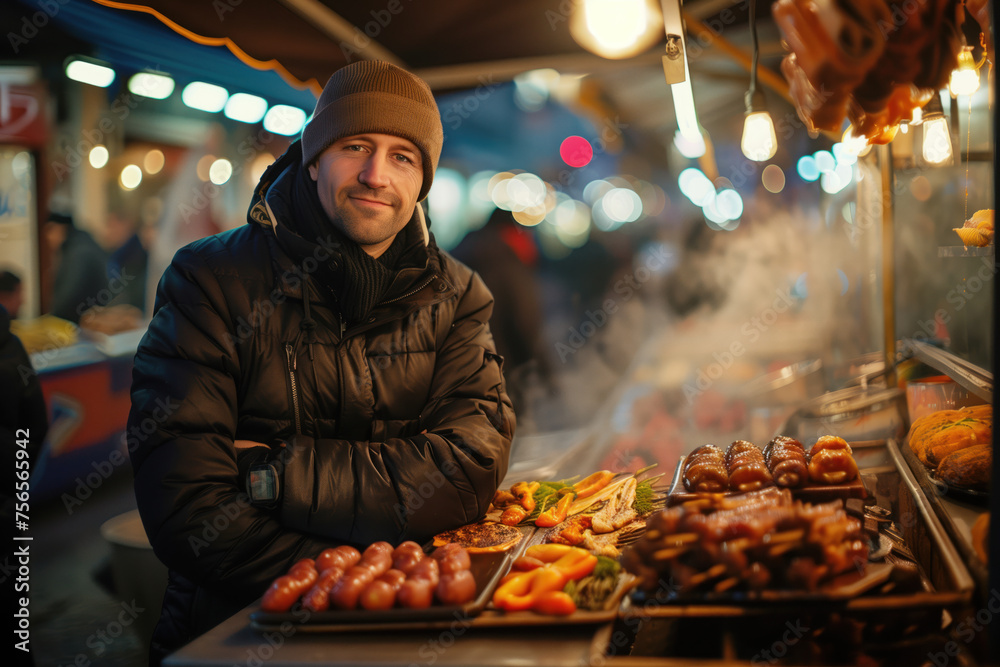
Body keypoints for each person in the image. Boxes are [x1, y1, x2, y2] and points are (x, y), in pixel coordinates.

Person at [127, 60, 515, 664]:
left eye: (402, 157)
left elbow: (467, 467)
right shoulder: (209, 280)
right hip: (236, 633)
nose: (374, 174)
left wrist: (272, 474)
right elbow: (188, 506)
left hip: (406, 638)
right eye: (354, 145)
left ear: (423, 183)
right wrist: (372, 574)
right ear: (312, 158)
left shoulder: (459, 296)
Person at [44, 212, 110, 324]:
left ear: (61, 228)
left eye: (50, 230)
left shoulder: (78, 252)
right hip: (88, 318)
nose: (48, 237)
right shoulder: (80, 245)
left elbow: (71, 291)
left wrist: (53, 318)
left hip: (85, 321)